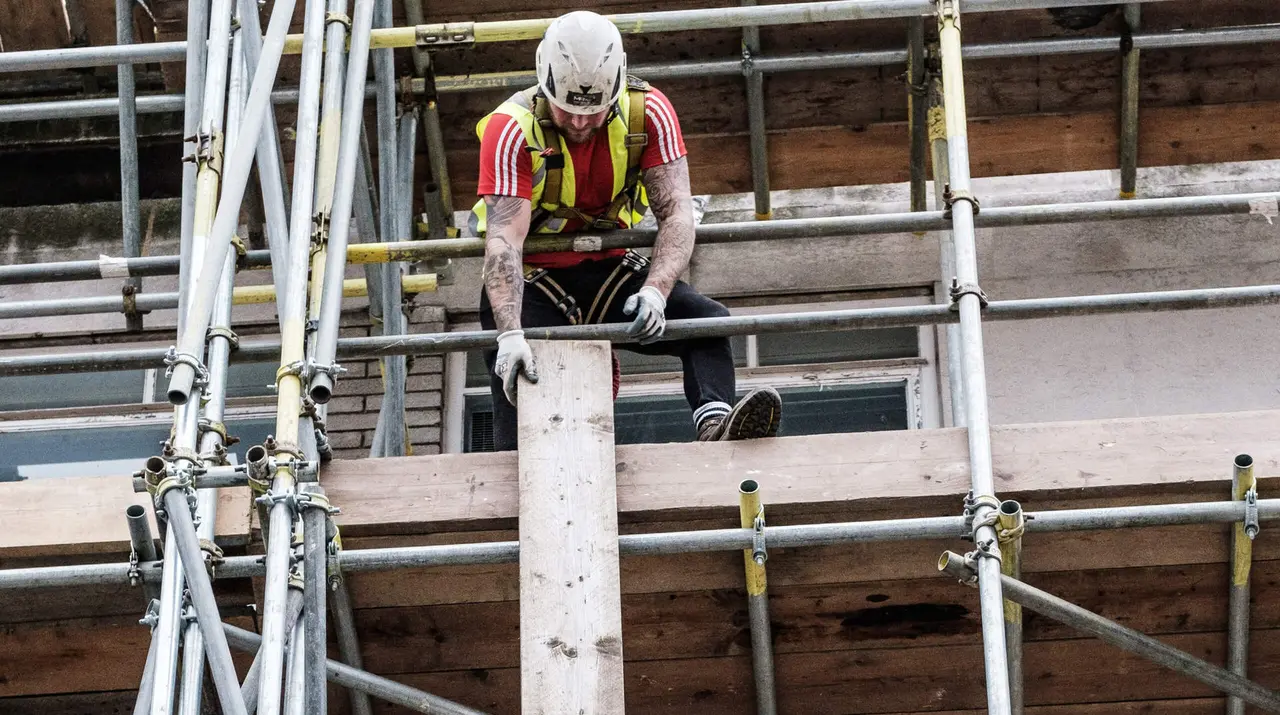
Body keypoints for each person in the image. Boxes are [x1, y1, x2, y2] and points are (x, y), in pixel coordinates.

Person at [470, 10, 781, 451]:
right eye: (567, 110)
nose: (580, 123)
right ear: (544, 84)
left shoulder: (648, 112)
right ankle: (506, 478)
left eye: (593, 112)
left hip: (609, 271)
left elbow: (676, 213)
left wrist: (656, 290)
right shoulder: (509, 129)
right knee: (519, 384)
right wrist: (510, 334)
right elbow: (504, 239)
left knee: (705, 323)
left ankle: (716, 428)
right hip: (534, 283)